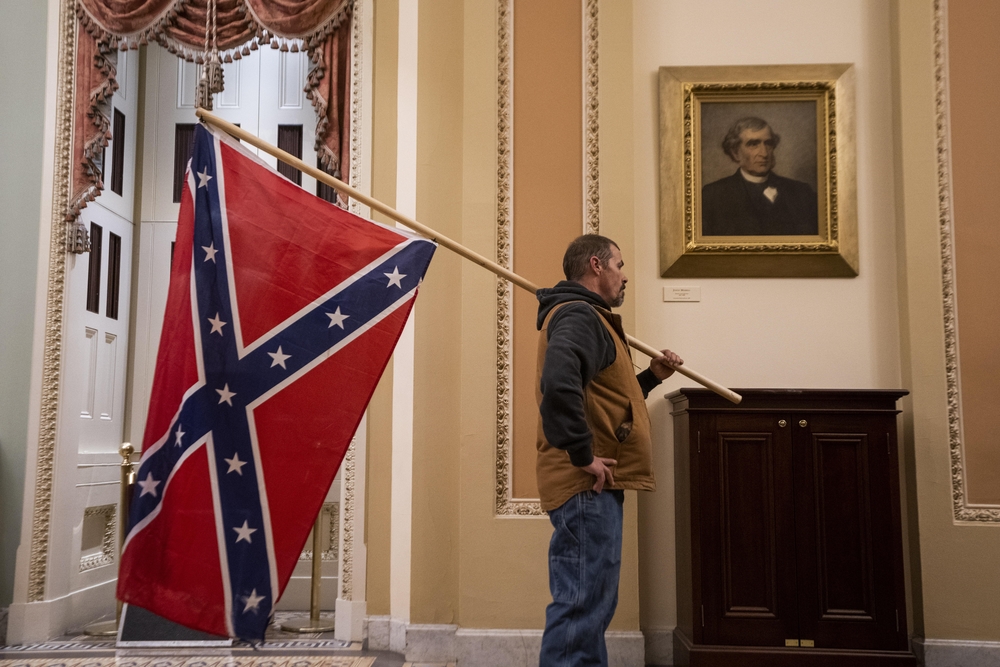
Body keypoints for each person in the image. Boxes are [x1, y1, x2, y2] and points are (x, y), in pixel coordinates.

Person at [535, 234, 683, 667]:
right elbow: (559, 387)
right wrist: (584, 456)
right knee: (582, 606)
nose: (625, 277)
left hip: (592, 484)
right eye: (620, 265)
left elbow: (608, 402)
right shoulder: (581, 315)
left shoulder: (588, 317)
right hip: (586, 483)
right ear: (596, 266)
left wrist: (652, 377)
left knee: (589, 605)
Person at [701, 116, 818, 236]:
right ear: (735, 153)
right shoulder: (712, 195)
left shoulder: (803, 192)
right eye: (753, 144)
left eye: (768, 144)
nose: (764, 153)